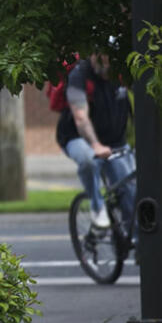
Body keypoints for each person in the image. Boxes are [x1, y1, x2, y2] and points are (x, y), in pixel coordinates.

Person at [55, 52, 135, 231]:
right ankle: (97, 206)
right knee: (88, 159)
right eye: (98, 54)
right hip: (78, 138)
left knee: (131, 195)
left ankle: (138, 246)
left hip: (115, 141)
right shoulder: (79, 75)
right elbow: (80, 117)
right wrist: (95, 145)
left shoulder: (122, 73)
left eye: (106, 55)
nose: (102, 60)